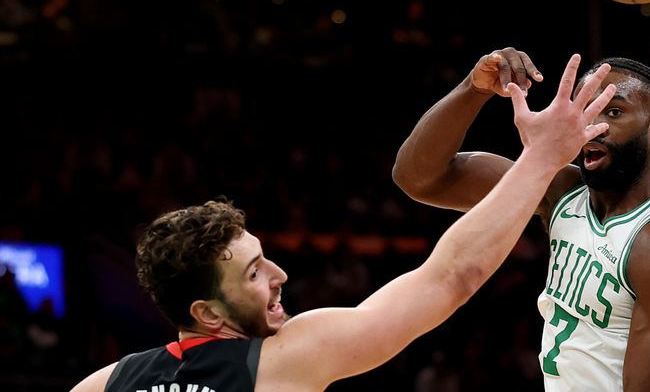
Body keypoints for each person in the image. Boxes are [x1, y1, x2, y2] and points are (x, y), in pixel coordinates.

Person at [70, 54, 616, 392]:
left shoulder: (105, 384)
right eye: (255, 273)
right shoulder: (283, 362)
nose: (279, 274)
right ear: (208, 312)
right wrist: (544, 156)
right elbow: (453, 275)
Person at [392, 47, 650, 391]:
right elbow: (419, 178)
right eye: (585, 113)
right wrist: (475, 88)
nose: (595, 127)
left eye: (614, 112)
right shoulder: (560, 190)